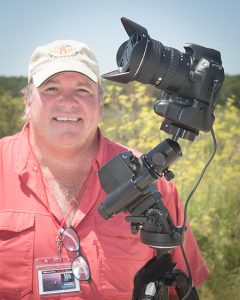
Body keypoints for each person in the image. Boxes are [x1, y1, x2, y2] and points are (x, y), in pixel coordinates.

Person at [0, 39, 208, 300]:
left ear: (100, 104)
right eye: (51, 88)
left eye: (83, 90)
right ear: (28, 103)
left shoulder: (152, 182)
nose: (68, 101)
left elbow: (181, 287)